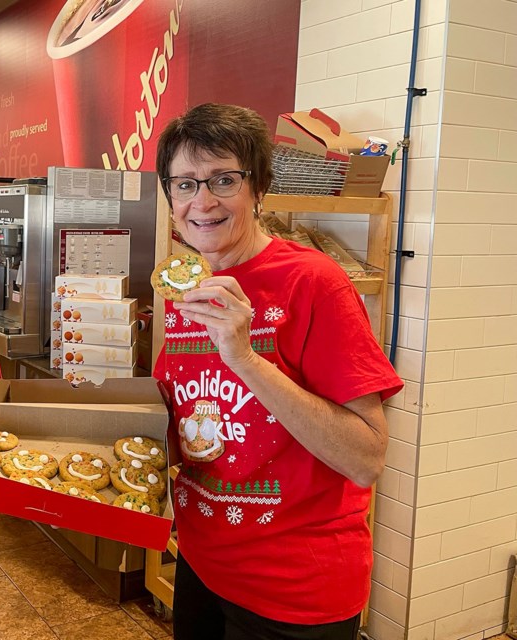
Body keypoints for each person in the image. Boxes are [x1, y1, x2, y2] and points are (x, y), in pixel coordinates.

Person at [152, 104, 403, 640]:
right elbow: (191, 423)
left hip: (295, 589)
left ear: (258, 187)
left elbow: (366, 457)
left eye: (224, 179)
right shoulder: (184, 291)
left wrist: (245, 359)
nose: (203, 201)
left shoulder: (315, 283)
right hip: (202, 562)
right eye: (185, 184)